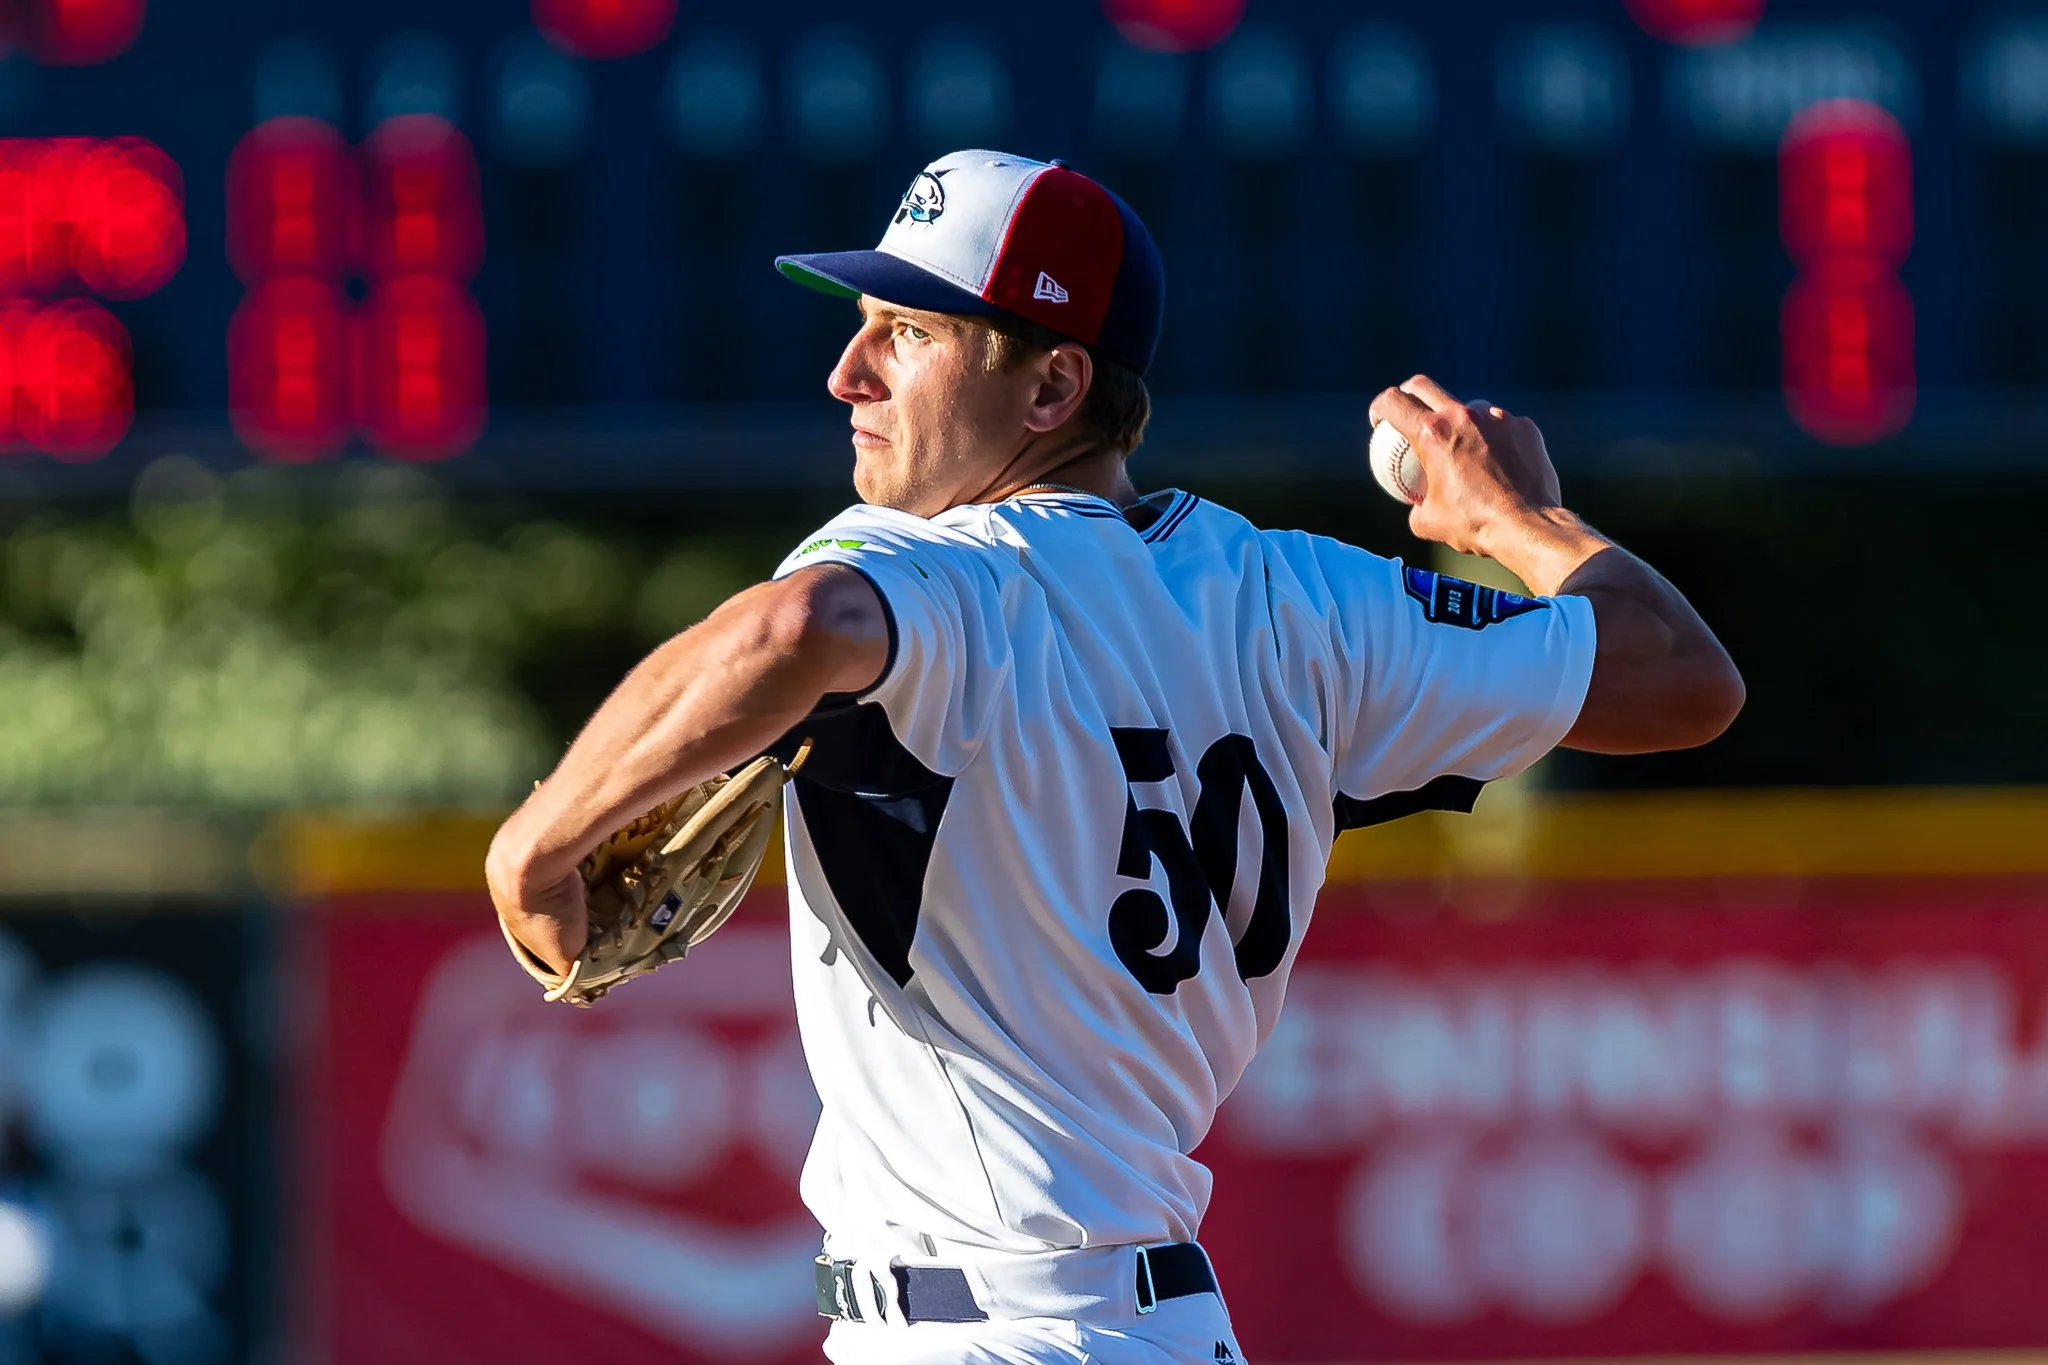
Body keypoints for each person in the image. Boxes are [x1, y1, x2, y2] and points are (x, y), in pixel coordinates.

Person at [485, 149, 1744, 1364]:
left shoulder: (936, 575)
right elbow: (1680, 679)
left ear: (1050, 391)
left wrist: (536, 845)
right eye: (864, 323)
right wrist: (1512, 521)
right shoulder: (1300, 604)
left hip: (983, 1331)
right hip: (1155, 1323)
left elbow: (794, 624)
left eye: (909, 334)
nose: (847, 374)